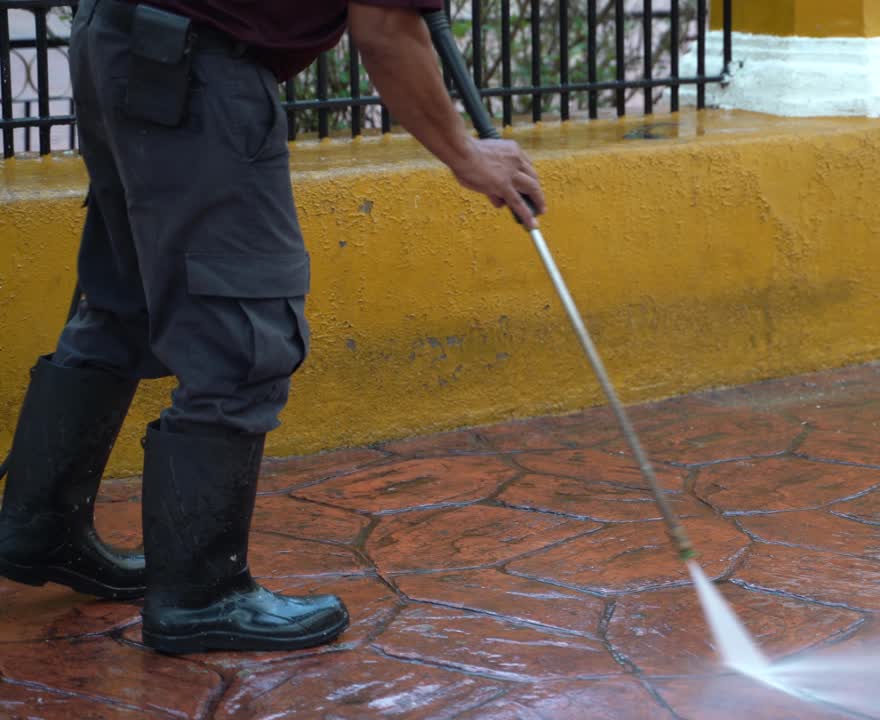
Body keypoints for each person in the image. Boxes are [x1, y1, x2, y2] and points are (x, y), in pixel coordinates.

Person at [0, 0, 545, 654]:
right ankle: (202, 593)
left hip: (114, 34)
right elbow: (387, 29)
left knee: (125, 303)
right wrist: (466, 155)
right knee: (243, 332)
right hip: (194, 58)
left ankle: (39, 527)